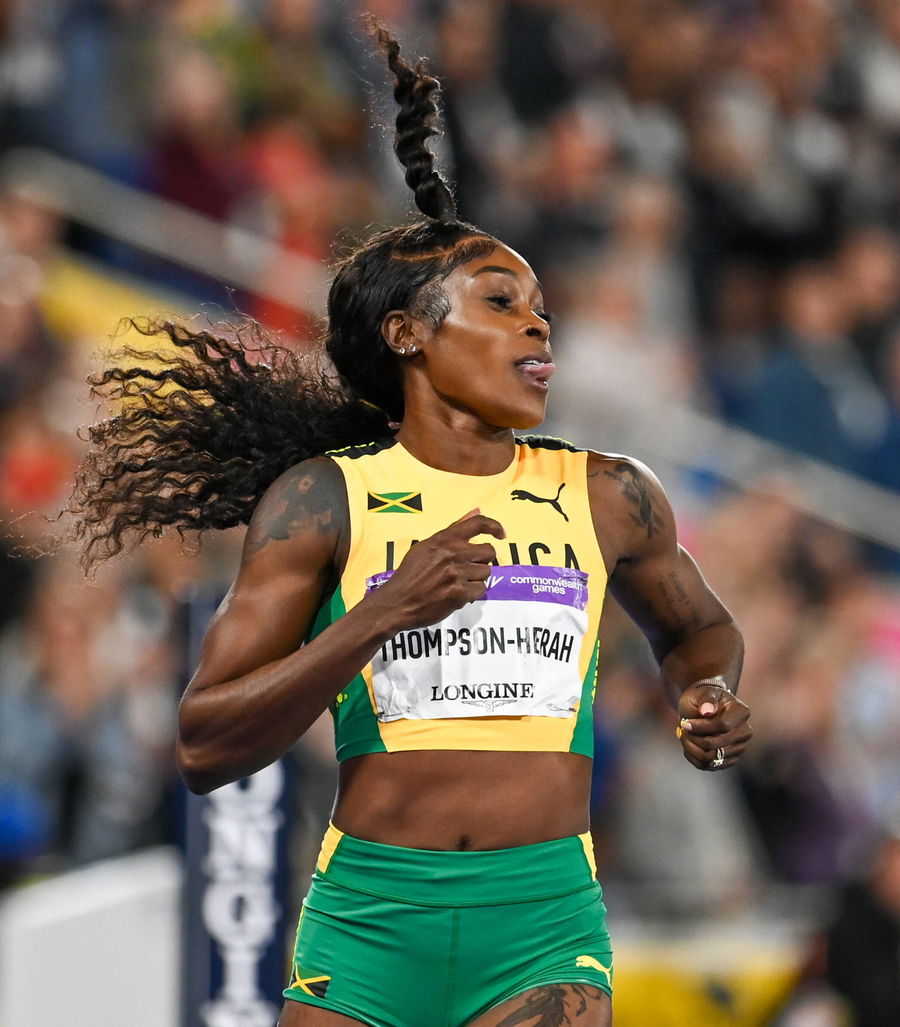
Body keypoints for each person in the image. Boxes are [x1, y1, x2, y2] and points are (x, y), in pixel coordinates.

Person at [67, 25, 751, 1027]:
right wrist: (380, 616)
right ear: (407, 335)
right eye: (500, 302)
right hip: (367, 922)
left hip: (540, 924)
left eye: (541, 307)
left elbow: (700, 630)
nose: (538, 324)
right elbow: (206, 744)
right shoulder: (322, 500)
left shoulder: (609, 493)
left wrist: (708, 695)